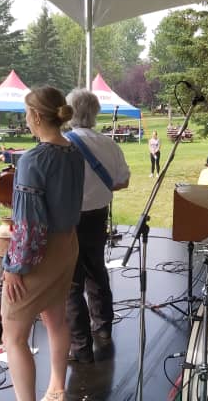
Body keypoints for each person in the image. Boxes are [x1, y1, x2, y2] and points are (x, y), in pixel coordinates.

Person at [0, 86, 84, 401]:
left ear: (35, 115)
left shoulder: (33, 159)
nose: (25, 118)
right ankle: (57, 388)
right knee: (56, 317)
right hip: (67, 246)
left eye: (26, 113)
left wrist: (13, 268)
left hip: (40, 254)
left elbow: (30, 227)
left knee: (13, 335)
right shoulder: (74, 152)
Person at [64, 88, 131, 363]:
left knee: (71, 284)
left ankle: (80, 347)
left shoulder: (63, 143)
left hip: (69, 220)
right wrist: (98, 187)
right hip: (98, 216)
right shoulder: (109, 144)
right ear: (95, 113)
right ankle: (103, 328)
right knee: (96, 270)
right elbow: (123, 181)